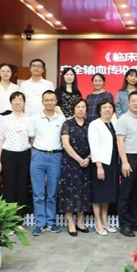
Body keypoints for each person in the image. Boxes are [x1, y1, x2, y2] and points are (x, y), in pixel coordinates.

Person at [29, 90, 66, 236]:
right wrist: (41, 149)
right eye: (47, 100)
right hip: (38, 155)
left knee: (52, 193)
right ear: (42, 102)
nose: (49, 102)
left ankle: (51, 222)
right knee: (38, 193)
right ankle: (40, 224)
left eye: (52, 100)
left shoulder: (61, 119)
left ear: (56, 101)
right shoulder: (34, 118)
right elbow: (32, 137)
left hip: (56, 156)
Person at [0, 91, 31, 227]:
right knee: (9, 188)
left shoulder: (29, 119)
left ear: (24, 102)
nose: (17, 102)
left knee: (22, 188)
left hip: (24, 155)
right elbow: (0, 140)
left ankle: (19, 221)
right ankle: (9, 222)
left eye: (20, 99)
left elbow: (32, 140)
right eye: (14, 100)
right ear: (11, 103)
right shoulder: (4, 119)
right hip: (8, 155)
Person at [116, 91, 137, 237]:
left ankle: (135, 221)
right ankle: (124, 224)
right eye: (133, 101)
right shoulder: (123, 119)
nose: (136, 103)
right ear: (128, 103)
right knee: (126, 193)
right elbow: (120, 141)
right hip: (129, 159)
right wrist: (124, 162)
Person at [59, 97, 91, 236]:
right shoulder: (67, 124)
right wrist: (79, 159)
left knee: (84, 191)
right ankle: (70, 222)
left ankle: (80, 222)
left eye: (83, 107)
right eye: (78, 107)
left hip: (87, 162)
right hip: (71, 162)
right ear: (73, 109)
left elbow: (95, 144)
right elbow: (66, 145)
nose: (80, 109)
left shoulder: (90, 125)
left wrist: (88, 158)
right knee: (70, 192)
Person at [88, 98, 119, 235]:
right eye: (104, 107)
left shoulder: (115, 123)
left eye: (110, 107)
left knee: (107, 194)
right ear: (99, 110)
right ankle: (98, 222)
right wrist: (99, 166)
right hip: (100, 163)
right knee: (98, 194)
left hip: (112, 162)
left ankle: (105, 221)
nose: (107, 110)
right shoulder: (95, 124)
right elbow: (93, 146)